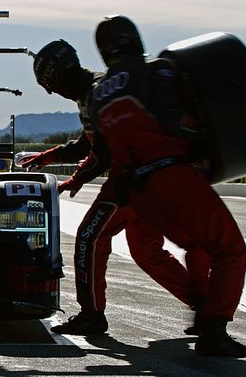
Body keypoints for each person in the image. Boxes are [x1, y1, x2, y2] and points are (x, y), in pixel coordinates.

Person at [88, 15, 246, 357]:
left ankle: (203, 310)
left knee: (192, 246)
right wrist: (209, 141)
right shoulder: (156, 71)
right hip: (171, 175)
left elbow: (102, 151)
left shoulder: (98, 94)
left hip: (137, 191)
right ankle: (213, 330)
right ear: (133, 38)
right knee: (228, 248)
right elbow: (177, 123)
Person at [22, 39, 209, 336]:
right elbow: (88, 142)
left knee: (89, 238)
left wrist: (78, 177)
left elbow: (105, 151)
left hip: (131, 179)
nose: (58, 93)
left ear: (59, 76)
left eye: (54, 86)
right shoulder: (90, 93)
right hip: (143, 178)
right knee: (145, 250)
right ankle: (206, 308)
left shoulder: (100, 90)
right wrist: (50, 157)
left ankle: (91, 315)